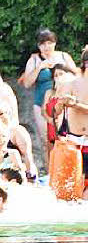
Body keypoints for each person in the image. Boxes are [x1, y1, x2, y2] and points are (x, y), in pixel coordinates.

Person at [17, 29, 78, 151]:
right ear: (38, 46)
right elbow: (27, 84)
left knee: (69, 139)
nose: (46, 47)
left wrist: (62, 69)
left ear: (55, 43)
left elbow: (76, 76)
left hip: (64, 102)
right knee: (47, 140)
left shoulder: (63, 56)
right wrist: (40, 67)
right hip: (42, 104)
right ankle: (49, 169)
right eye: (43, 44)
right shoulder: (34, 60)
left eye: (49, 43)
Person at [54, 48, 88, 199]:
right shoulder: (70, 84)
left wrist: (75, 105)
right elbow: (55, 112)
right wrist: (62, 103)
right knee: (68, 193)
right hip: (74, 142)